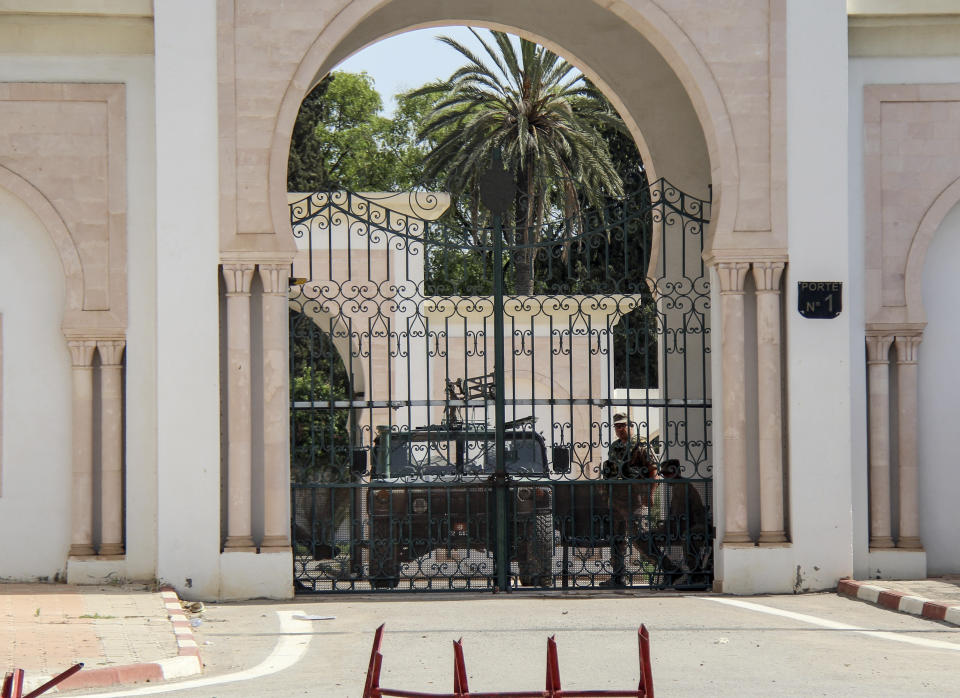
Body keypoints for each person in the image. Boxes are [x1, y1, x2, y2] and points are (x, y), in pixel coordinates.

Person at [600, 412, 657, 587]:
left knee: (639, 537)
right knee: (617, 539)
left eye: (623, 425)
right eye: (617, 426)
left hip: (635, 497)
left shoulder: (641, 444)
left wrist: (650, 494)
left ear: (631, 426)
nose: (619, 429)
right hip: (616, 498)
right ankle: (618, 577)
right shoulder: (615, 446)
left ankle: (669, 568)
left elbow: (653, 470)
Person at [640, 459, 710, 587]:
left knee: (642, 539)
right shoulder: (679, 486)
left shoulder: (682, 487)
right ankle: (670, 569)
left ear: (676, 472)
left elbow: (679, 516)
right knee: (642, 538)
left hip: (686, 529)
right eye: (664, 475)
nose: (666, 478)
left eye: (668, 474)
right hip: (678, 528)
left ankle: (682, 572)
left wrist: (664, 528)